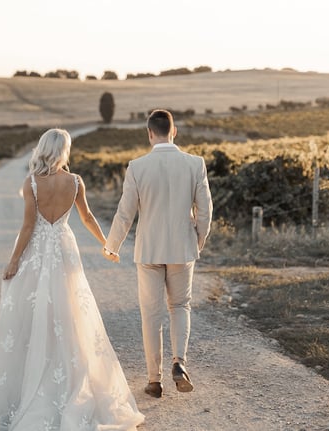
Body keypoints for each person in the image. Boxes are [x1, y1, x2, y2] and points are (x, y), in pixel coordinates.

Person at [0, 129, 145, 430]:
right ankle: (68, 373)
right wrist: (107, 245)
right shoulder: (75, 182)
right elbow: (88, 216)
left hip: (38, 250)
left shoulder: (31, 183)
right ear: (64, 150)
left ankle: (36, 371)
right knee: (71, 312)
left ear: (42, 149)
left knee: (33, 311)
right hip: (64, 249)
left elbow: (28, 227)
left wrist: (13, 261)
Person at [103, 109, 212, 399]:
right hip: (182, 248)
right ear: (173, 131)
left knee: (151, 315)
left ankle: (154, 380)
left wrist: (111, 246)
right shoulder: (195, 164)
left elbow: (125, 213)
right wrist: (197, 241)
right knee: (180, 306)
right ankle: (180, 362)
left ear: (150, 133)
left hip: (149, 250)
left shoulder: (137, 167)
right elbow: (205, 210)